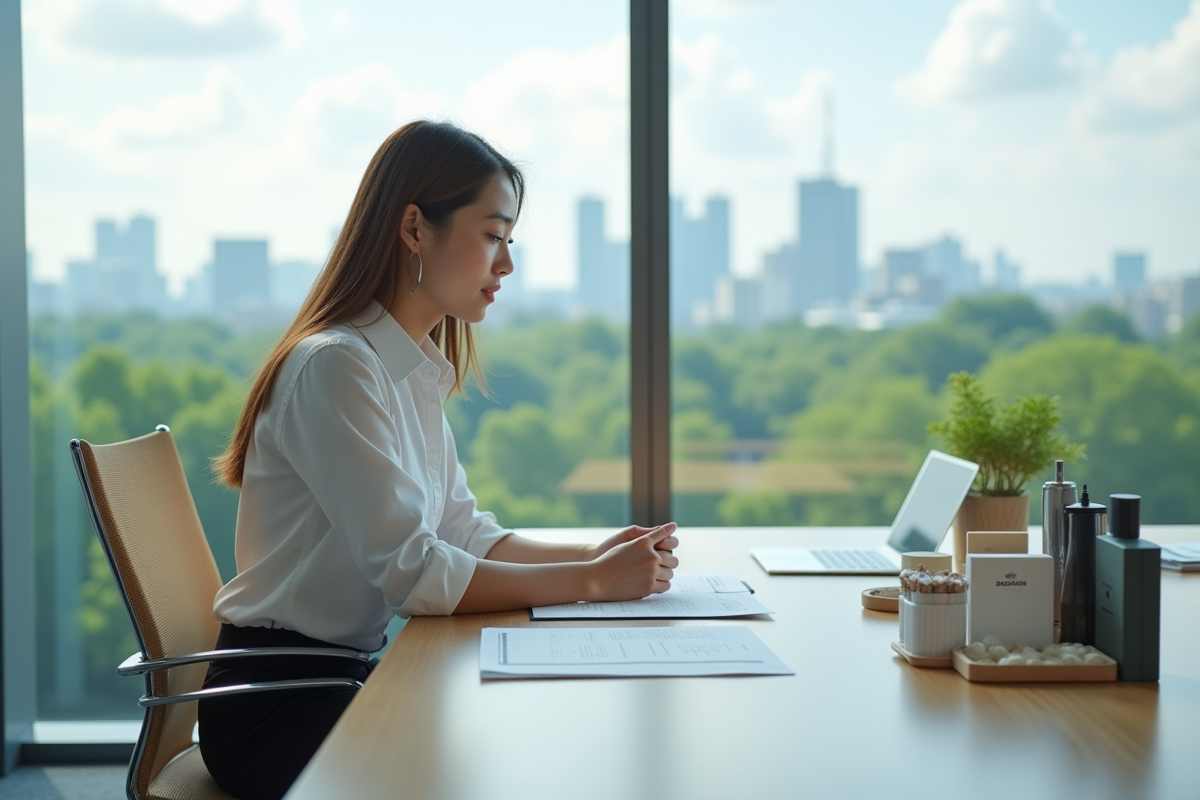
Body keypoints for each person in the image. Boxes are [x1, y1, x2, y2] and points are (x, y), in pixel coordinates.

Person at [197, 120, 680, 800]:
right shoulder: (337, 367)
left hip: (341, 681)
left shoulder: (407, 369)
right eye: (492, 235)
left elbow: (462, 532)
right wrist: (591, 582)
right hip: (279, 705)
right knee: (516, 765)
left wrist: (593, 556)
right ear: (416, 228)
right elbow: (415, 574)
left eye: (508, 241)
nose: (506, 264)